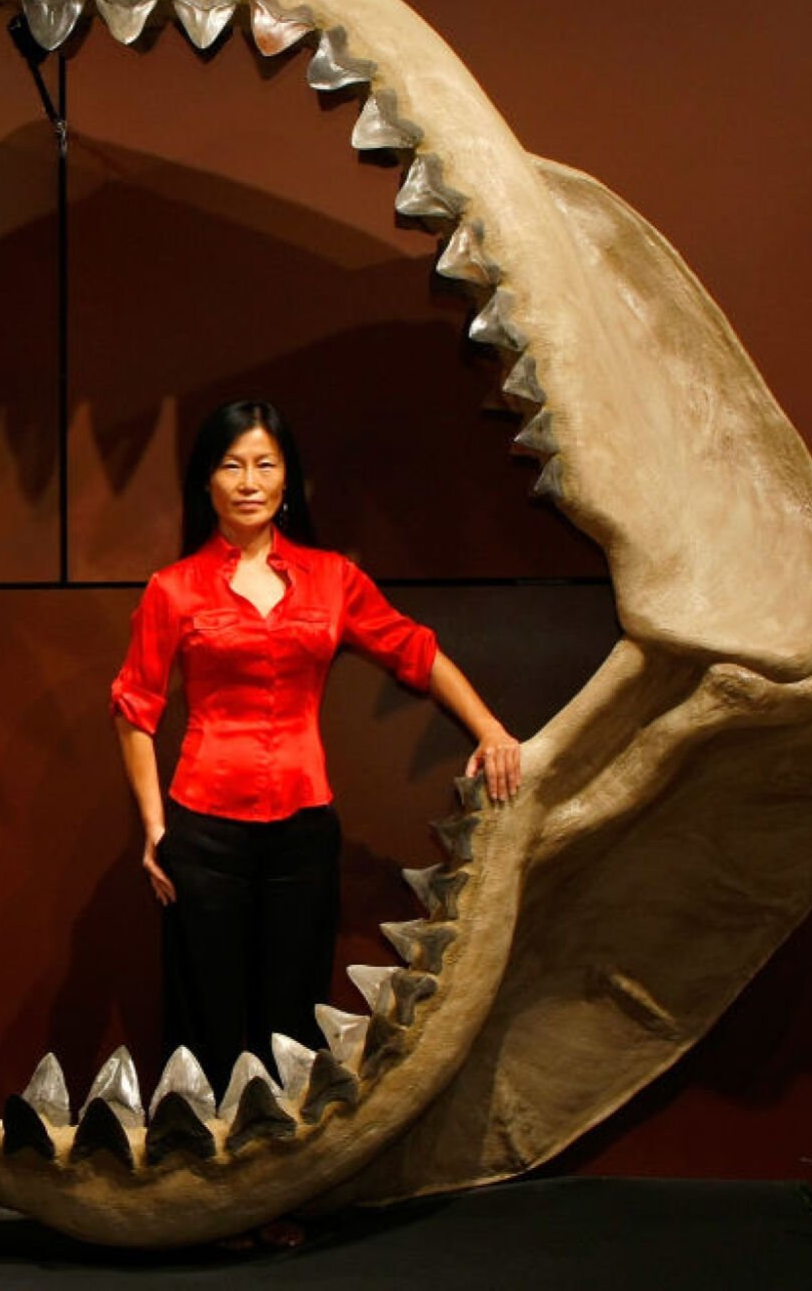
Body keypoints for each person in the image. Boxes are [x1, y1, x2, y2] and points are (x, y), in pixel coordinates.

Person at [110, 398, 523, 1100]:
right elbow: (132, 708)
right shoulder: (172, 590)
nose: (247, 481)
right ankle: (204, 1195)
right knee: (205, 1021)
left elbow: (414, 653)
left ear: (286, 480)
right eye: (231, 465)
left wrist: (489, 729)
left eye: (264, 465)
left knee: (291, 1021)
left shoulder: (333, 579)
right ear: (205, 482)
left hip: (302, 830)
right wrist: (154, 826)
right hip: (203, 829)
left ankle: (278, 1193)